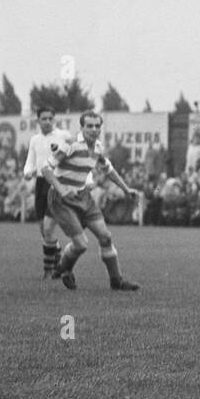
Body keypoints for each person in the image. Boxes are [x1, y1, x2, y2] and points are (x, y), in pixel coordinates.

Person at [43, 111, 139, 291]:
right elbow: (46, 169)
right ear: (82, 127)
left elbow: (108, 170)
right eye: (90, 126)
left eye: (97, 126)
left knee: (106, 236)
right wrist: (62, 190)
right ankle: (64, 270)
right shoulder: (70, 144)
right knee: (81, 244)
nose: (94, 129)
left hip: (83, 196)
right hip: (61, 199)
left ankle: (116, 281)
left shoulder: (98, 148)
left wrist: (126, 189)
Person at [22, 108, 72, 278]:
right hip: (40, 183)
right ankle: (57, 254)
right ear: (38, 121)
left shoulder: (64, 136)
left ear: (54, 119)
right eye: (44, 118)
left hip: (55, 182)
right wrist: (27, 171)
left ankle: (49, 271)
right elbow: (30, 160)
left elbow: (75, 156)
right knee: (43, 228)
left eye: (50, 118)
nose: (47, 121)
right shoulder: (35, 140)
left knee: (49, 225)